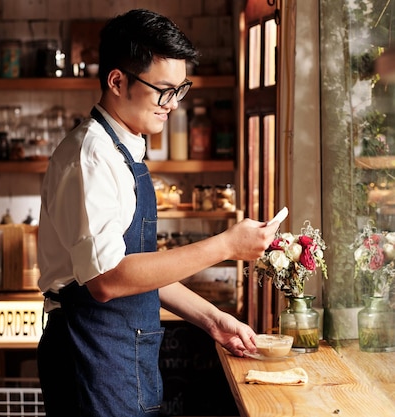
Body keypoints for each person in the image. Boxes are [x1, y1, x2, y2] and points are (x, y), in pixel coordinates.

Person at [36, 9, 279, 417]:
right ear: (117, 81)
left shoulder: (123, 148)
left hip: (122, 353)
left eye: (179, 90)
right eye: (162, 90)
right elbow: (107, 279)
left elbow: (139, 269)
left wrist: (212, 319)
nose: (173, 104)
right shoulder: (92, 157)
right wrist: (224, 245)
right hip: (92, 355)